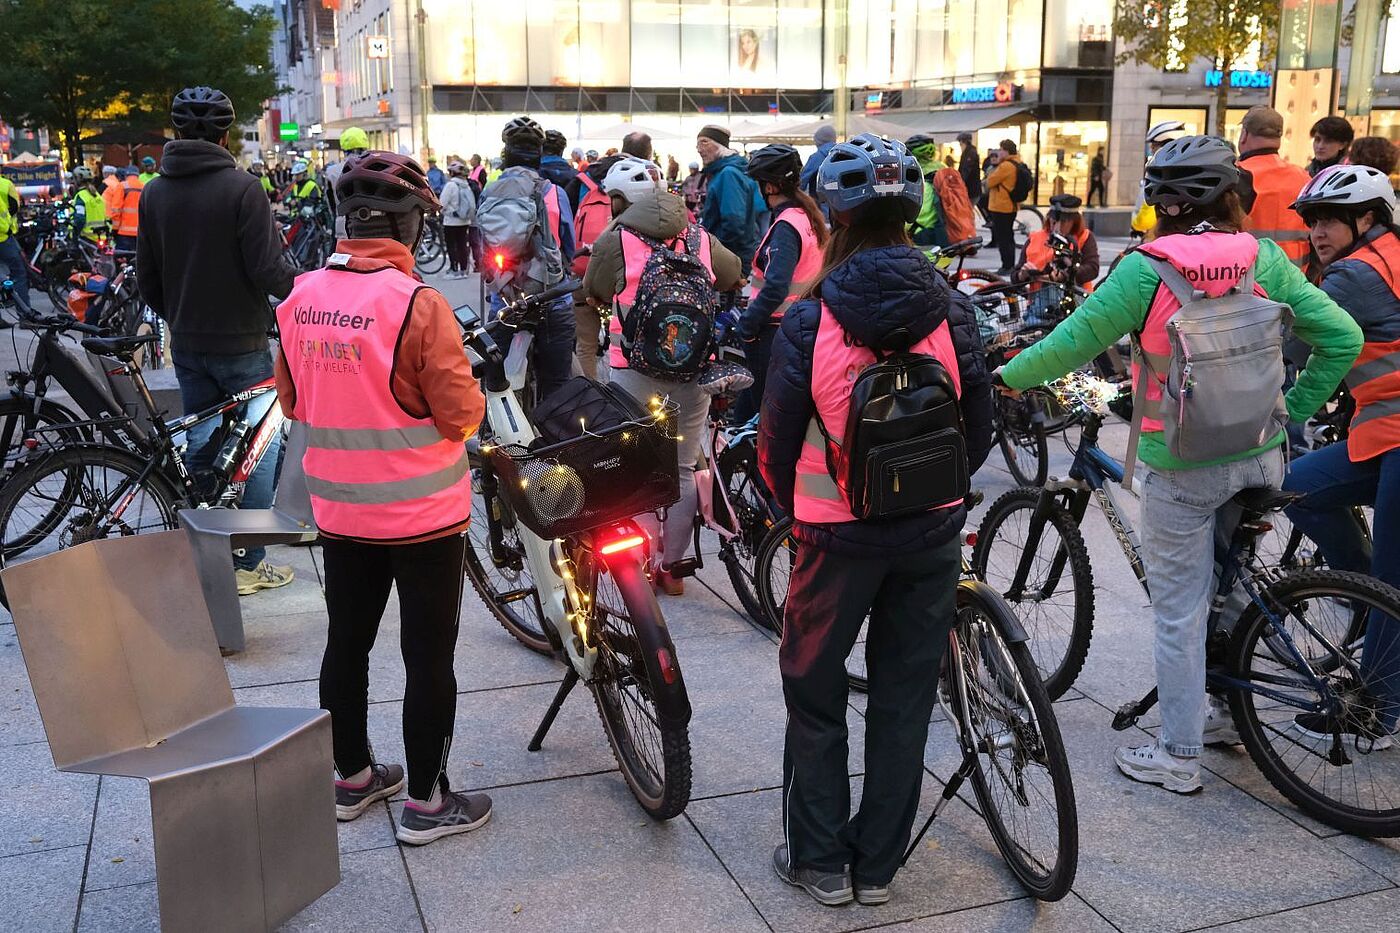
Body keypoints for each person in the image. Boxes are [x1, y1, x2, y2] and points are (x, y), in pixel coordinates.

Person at [998, 136, 1362, 794]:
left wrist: (1005, 376)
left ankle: (1177, 754)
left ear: (1161, 206)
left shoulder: (1146, 270)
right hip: (1261, 456)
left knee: (1180, 612)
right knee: (1233, 586)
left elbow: (1069, 345)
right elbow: (1343, 336)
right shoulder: (1262, 257)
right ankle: (1226, 711)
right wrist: (1291, 411)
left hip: (1186, 465)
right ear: (1230, 197)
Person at [758, 133, 993, 907]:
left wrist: (795, 509)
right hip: (931, 533)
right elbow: (978, 429)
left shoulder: (810, 318)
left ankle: (821, 859)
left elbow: (775, 446)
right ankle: (879, 866)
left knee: (814, 688)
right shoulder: (952, 308)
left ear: (835, 216)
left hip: (835, 538)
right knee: (904, 695)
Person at [273, 150, 491, 845]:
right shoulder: (418, 304)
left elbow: (292, 401)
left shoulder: (299, 298)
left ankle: (352, 777)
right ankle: (427, 801)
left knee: (346, 642)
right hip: (424, 516)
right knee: (427, 657)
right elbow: (460, 416)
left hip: (341, 510)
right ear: (411, 225)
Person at [137, 86, 300, 596]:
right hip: (243, 342)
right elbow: (269, 269)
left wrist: (180, 317)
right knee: (258, 447)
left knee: (203, 445)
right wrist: (309, 290)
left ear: (176, 132)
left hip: (188, 343)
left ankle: (207, 551)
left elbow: (147, 279)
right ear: (226, 136)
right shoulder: (243, 189)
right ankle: (248, 560)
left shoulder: (153, 193)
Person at [582, 157, 742, 596]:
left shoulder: (615, 239)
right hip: (693, 368)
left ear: (619, 200)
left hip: (633, 370)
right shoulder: (698, 236)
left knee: (637, 467)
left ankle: (639, 565)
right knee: (683, 468)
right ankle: (673, 569)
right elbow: (734, 273)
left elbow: (594, 290)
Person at [1283, 164, 1400, 745]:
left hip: (1396, 433)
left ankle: (1377, 710)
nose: (1318, 232)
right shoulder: (1389, 254)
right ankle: (1365, 597)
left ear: (1368, 218)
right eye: (1312, 221)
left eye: (1330, 220)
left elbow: (1290, 340)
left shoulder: (1356, 273)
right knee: (1298, 487)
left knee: (1394, 575)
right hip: (1382, 432)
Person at [480, 116, 576, 401]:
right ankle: (555, 425)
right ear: (539, 155)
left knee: (495, 385)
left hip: (505, 301)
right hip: (551, 300)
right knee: (557, 384)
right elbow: (568, 247)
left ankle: (494, 425)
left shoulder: (488, 192)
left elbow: (480, 245)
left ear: (505, 153)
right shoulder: (555, 192)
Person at [735, 144, 827, 423]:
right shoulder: (806, 216)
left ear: (770, 187)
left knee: (762, 412)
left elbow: (776, 285)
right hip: (802, 324)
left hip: (774, 329)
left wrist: (747, 324)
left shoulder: (786, 226)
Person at [1237, 106, 1312, 267]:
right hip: (1298, 276)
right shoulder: (1304, 177)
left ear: (1244, 135)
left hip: (1253, 275)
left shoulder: (1238, 175)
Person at [1014, 193, 1098, 321]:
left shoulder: (1084, 237)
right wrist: (1022, 275)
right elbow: (1015, 276)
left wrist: (1063, 275)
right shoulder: (1035, 238)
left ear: (1074, 221)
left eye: (1063, 221)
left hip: (1076, 305)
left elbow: (1092, 268)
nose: (1057, 226)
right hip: (1040, 307)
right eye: (1053, 220)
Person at [697, 124, 764, 276]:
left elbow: (733, 221)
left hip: (731, 256)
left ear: (719, 145)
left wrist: (718, 251)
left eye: (704, 142)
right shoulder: (724, 172)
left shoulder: (728, 174)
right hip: (734, 253)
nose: (699, 149)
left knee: (727, 293)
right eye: (697, 144)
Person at [1131, 120, 1186, 240]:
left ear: (1166, 146)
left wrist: (1135, 225)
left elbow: (1146, 217)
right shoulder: (1186, 169)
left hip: (1160, 236)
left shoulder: (1159, 174)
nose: (1151, 150)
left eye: (1154, 146)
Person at [984, 138, 1024, 275]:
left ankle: (1007, 266)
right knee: (1008, 236)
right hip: (1010, 206)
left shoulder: (1006, 166)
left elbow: (990, 182)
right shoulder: (1017, 163)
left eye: (1001, 150)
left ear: (1006, 151)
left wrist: (995, 167)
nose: (999, 152)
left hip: (1001, 207)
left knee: (1004, 238)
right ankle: (1008, 265)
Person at [324, 126, 369, 236]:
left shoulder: (332, 172)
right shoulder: (374, 167)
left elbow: (330, 203)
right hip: (372, 227)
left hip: (343, 229)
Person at [905, 134, 946, 247]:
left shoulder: (918, 175)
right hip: (942, 230)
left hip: (922, 232)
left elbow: (920, 212)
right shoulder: (942, 168)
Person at [439, 159, 476, 278]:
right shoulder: (466, 185)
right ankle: (464, 270)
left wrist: (442, 211)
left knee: (452, 246)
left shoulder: (450, 185)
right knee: (462, 245)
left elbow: (442, 203)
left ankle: (454, 270)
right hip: (464, 221)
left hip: (451, 222)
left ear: (452, 173)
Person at [0, 170, 28, 311]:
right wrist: (8, 228)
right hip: (3, 237)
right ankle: (25, 314)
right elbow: (14, 207)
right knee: (18, 274)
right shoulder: (6, 184)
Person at [102, 166, 144, 251]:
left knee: (122, 256)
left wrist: (115, 229)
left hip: (124, 233)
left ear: (126, 175)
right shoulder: (144, 186)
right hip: (140, 232)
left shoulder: (122, 186)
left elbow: (116, 209)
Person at [799, 124, 838, 205]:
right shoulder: (841, 154)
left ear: (819, 141)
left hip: (820, 204)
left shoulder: (817, 157)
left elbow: (802, 180)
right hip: (839, 204)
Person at [68, 166, 107, 241]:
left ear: (77, 180)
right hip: (100, 237)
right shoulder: (97, 195)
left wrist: (74, 235)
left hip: (86, 238)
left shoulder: (81, 196)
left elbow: (80, 219)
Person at [957, 131, 982, 208]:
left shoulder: (970, 153)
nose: (960, 146)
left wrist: (958, 184)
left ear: (963, 142)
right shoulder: (968, 152)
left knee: (967, 211)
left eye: (960, 144)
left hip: (971, 191)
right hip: (971, 191)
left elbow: (966, 171)